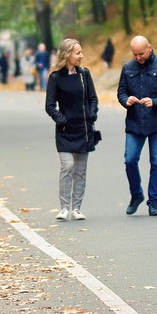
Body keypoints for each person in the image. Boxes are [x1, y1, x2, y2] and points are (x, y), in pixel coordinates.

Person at [116, 35, 157, 217]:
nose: (138, 58)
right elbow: (121, 92)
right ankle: (136, 195)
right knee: (130, 160)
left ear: (149, 48)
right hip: (135, 122)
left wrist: (155, 101)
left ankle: (154, 202)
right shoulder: (127, 68)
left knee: (156, 162)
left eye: (141, 54)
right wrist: (126, 100)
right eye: (134, 54)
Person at [44, 38, 98, 221]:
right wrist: (63, 120)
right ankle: (64, 208)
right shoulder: (55, 78)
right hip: (65, 131)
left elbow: (93, 98)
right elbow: (50, 106)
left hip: (84, 129)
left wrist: (91, 115)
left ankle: (76, 209)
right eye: (78, 53)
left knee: (80, 171)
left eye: (81, 52)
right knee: (67, 166)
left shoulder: (84, 74)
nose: (81, 56)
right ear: (67, 55)